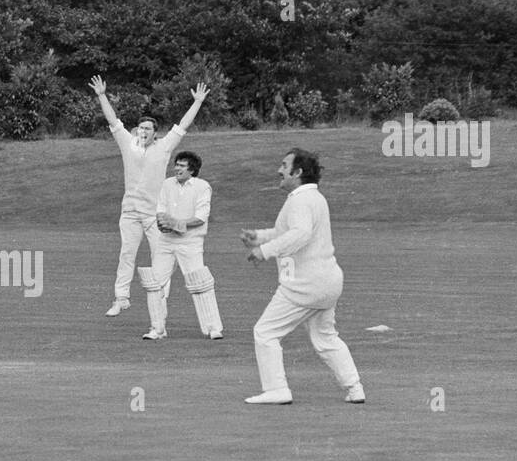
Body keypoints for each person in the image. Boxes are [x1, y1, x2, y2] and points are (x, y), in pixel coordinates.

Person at [240, 148, 364, 405]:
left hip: (304, 286)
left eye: (284, 165)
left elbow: (300, 234)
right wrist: (260, 237)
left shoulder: (300, 200)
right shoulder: (312, 198)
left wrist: (264, 251)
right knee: (325, 338)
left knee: (265, 332)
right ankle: (355, 388)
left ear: (297, 173)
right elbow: (287, 230)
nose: (279, 170)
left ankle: (277, 390)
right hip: (327, 282)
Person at [89, 76, 210, 317]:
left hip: (155, 214)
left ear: (155, 133)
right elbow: (113, 121)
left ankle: (161, 298)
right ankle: (121, 298)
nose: (143, 131)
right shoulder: (127, 143)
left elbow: (182, 126)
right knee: (126, 253)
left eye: (148, 128)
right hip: (130, 212)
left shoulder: (164, 147)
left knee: (160, 258)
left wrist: (197, 102)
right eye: (140, 127)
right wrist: (102, 95)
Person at [137, 150, 223, 340]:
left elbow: (201, 217)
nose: (177, 168)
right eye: (177, 164)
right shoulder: (167, 184)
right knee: (154, 283)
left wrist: (175, 224)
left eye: (182, 165)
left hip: (190, 243)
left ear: (192, 169)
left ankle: (213, 328)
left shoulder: (202, 187)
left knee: (200, 282)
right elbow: (160, 209)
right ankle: (157, 329)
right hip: (166, 242)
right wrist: (162, 223)